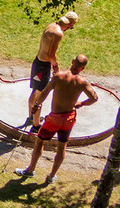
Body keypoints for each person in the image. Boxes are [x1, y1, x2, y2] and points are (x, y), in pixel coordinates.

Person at [17, 55, 98, 185]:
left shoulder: (58, 76)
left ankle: (31, 170)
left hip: (54, 118)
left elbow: (45, 92)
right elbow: (94, 98)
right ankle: (52, 175)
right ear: (83, 68)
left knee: (40, 141)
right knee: (62, 146)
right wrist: (81, 103)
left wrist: (36, 105)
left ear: (72, 62)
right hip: (69, 118)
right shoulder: (83, 82)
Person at [25, 10, 78, 133]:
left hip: (37, 61)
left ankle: (31, 117)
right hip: (43, 66)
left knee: (35, 91)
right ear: (69, 25)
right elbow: (51, 54)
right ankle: (36, 126)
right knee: (40, 96)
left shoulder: (51, 25)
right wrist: (56, 67)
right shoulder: (58, 33)